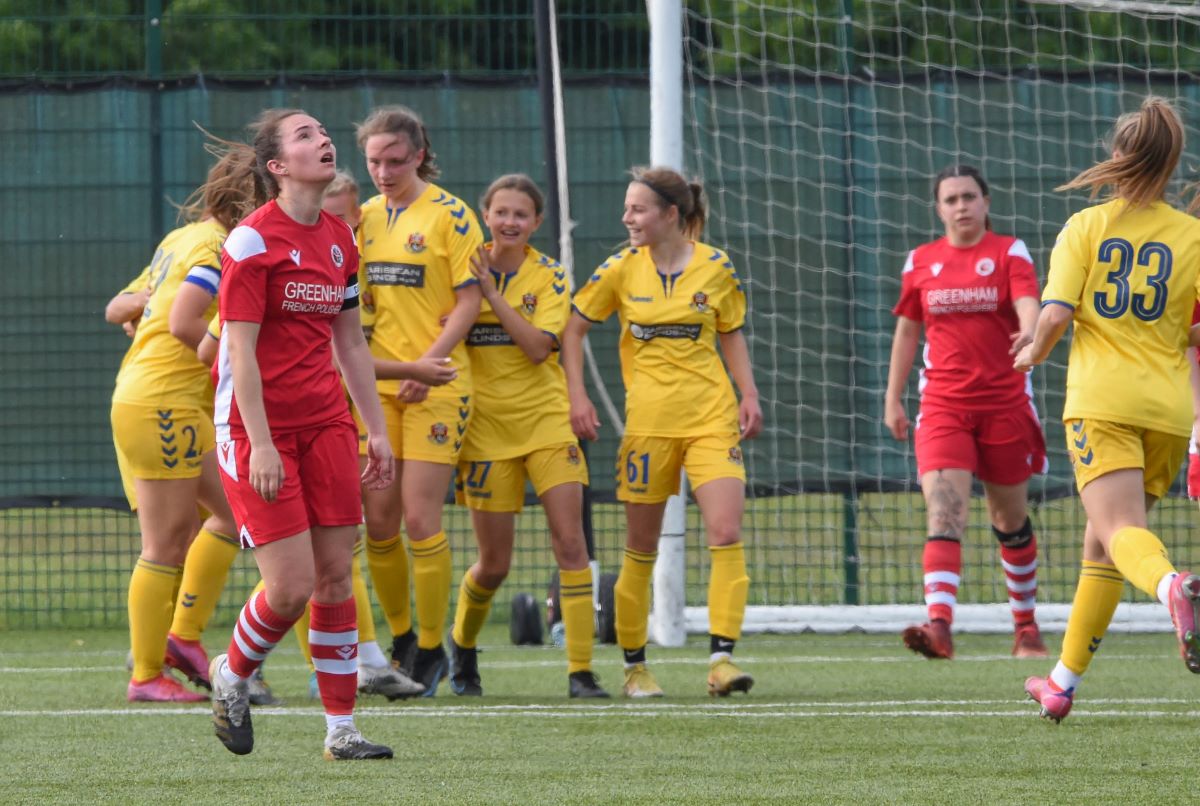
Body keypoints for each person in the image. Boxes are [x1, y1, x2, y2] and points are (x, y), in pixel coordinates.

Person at [206, 108, 395, 760]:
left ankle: (341, 730)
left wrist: (375, 430)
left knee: (336, 578)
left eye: (324, 129)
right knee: (289, 587)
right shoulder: (251, 242)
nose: (325, 139)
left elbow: (350, 342)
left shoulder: (341, 237)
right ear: (277, 166)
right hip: (256, 426)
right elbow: (240, 354)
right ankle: (231, 673)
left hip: (326, 425)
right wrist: (259, 442)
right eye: (307, 134)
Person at [1015, 96, 1200, 723]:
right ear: (1171, 164)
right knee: (1103, 544)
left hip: (1103, 406)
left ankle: (1174, 588)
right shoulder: (1193, 236)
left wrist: (1029, 354)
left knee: (1120, 534)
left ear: (1118, 157)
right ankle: (1062, 684)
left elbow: (1057, 314)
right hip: (1168, 412)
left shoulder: (1086, 227)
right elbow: (1194, 329)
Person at [562, 166, 762, 698]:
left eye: (637, 208)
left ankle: (721, 661)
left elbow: (732, 333)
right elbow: (574, 327)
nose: (627, 217)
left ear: (671, 215)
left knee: (725, 531)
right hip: (648, 427)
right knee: (640, 549)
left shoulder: (716, 267)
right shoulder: (620, 270)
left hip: (710, 419)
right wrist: (577, 396)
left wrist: (749, 394)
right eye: (627, 208)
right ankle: (635, 669)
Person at [104, 143, 261, 703]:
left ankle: (182, 639)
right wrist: (237, 368)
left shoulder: (183, 238)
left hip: (160, 398)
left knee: (230, 515)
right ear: (252, 196)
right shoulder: (219, 245)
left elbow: (124, 307)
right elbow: (180, 320)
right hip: (164, 401)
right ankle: (146, 674)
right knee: (165, 543)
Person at [446, 174, 608, 699]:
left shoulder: (550, 275)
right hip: (485, 432)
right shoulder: (463, 267)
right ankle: (462, 650)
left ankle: (580, 672)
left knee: (571, 546)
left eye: (521, 215)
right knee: (494, 564)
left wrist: (492, 295)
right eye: (501, 213)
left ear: (536, 223)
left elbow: (540, 348)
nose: (510, 222)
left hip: (546, 424)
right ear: (485, 215)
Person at [884, 165, 1048, 661]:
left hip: (1004, 405)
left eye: (969, 196)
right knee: (945, 511)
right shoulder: (920, 262)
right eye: (951, 199)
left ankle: (1025, 627)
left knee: (1009, 519)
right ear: (938, 208)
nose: (961, 206)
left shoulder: (1008, 252)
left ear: (986, 202)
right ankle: (939, 626)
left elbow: (1028, 303)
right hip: (942, 406)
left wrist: (1029, 330)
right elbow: (908, 330)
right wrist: (893, 397)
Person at [353, 105, 483, 695]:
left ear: (420, 154)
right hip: (376, 387)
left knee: (420, 519)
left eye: (396, 160)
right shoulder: (362, 218)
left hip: (439, 385)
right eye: (375, 160)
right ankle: (403, 637)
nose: (383, 171)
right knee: (378, 524)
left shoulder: (452, 216)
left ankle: (434, 648)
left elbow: (468, 303)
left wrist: (426, 364)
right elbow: (362, 306)